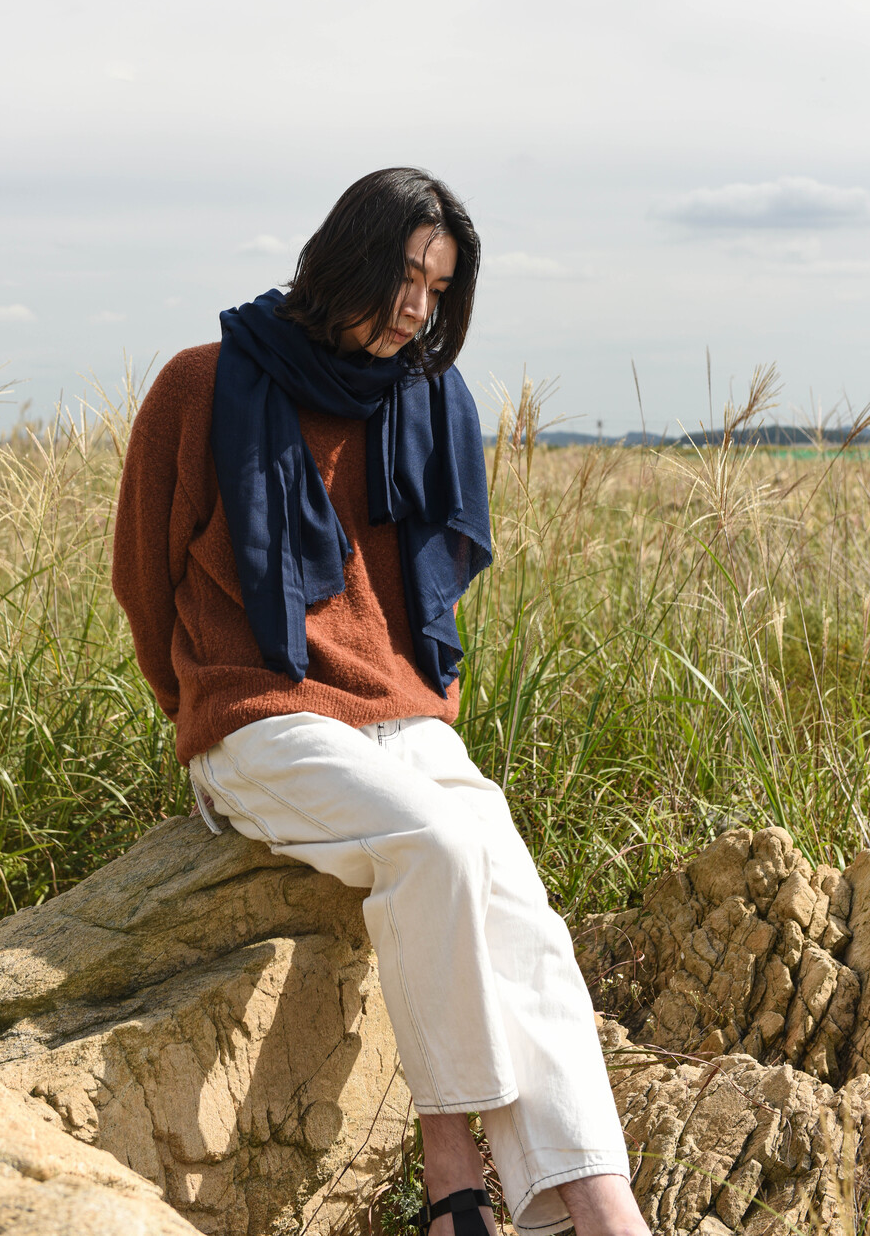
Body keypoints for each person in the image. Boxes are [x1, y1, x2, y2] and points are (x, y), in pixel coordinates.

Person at [112, 168, 649, 1236]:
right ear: (345, 258)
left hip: (401, 719)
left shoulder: (425, 397)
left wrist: (407, 699)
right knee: (433, 849)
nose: (416, 308)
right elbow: (142, 579)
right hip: (262, 714)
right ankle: (452, 1178)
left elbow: (427, 593)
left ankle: (597, 1205)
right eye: (404, 275)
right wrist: (203, 713)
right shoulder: (202, 384)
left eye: (438, 289)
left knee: (521, 911)